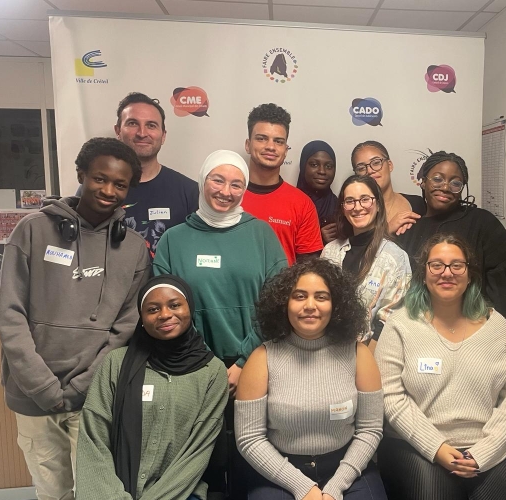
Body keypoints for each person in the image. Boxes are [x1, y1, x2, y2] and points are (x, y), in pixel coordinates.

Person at [0, 137, 151, 500]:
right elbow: (11, 316)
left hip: (93, 394)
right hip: (32, 392)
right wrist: (43, 387)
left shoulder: (133, 248)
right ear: (81, 174)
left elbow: (124, 329)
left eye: (120, 184)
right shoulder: (33, 230)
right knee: (52, 491)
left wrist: (84, 384)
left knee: (96, 491)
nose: (109, 190)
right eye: (100, 178)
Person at [153, 149, 288, 498]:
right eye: (218, 179)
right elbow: (165, 308)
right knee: (202, 469)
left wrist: (244, 362)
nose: (226, 191)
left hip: (255, 367)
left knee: (253, 462)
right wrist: (206, 364)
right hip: (193, 369)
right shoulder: (173, 240)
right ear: (203, 180)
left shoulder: (262, 236)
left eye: (236, 184)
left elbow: (276, 304)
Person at [374, 233, 506, 500]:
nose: (446, 273)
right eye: (436, 265)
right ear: (423, 273)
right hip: (417, 446)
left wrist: (484, 452)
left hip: (487, 446)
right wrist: (436, 447)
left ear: (469, 274)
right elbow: (391, 395)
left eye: (456, 265)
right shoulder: (400, 325)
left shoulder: (497, 326)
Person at [235, 258, 387, 500]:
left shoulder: (358, 354)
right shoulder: (262, 357)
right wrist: (302, 488)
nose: (310, 305)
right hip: (278, 473)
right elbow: (249, 439)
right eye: (299, 296)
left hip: (348, 469)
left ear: (336, 305)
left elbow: (370, 429)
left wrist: (336, 487)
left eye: (321, 297)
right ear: (283, 304)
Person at [75, 275, 228, 499]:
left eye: (175, 305)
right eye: (153, 309)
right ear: (142, 318)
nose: (165, 314)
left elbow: (198, 451)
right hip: (115, 492)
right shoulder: (116, 363)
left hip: (182, 493)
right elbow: (93, 437)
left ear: (190, 308)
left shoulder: (212, 372)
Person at [396, 151, 506, 324]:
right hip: (418, 331)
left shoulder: (482, 223)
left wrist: (490, 329)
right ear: (423, 182)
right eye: (438, 179)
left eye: (456, 183)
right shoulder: (409, 229)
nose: (446, 187)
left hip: (474, 330)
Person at [75, 92, 199, 256]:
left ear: (163, 135)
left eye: (151, 125)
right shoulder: (94, 191)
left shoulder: (189, 191)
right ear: (118, 131)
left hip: (167, 282)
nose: (142, 133)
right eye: (132, 123)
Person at [321, 175, 411, 351]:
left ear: (377, 205)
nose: (357, 207)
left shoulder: (395, 258)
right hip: (326, 352)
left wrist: (364, 363)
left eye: (365, 200)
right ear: (343, 208)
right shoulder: (330, 251)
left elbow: (390, 320)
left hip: (370, 355)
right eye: (350, 201)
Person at [240, 103, 323, 264]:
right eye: (262, 138)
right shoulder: (227, 197)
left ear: (285, 149)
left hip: (283, 290)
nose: (270, 146)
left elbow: (308, 270)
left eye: (278, 141)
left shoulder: (302, 204)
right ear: (248, 145)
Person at [351, 140, 426, 234]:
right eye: (361, 168)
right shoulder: (355, 212)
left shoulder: (417, 203)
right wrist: (387, 230)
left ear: (390, 165)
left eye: (376, 162)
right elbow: (355, 246)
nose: (370, 171)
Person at [296, 140, 339, 244]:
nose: (322, 171)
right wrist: (318, 238)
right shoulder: (291, 203)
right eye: (314, 164)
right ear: (303, 166)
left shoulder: (341, 207)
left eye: (328, 166)